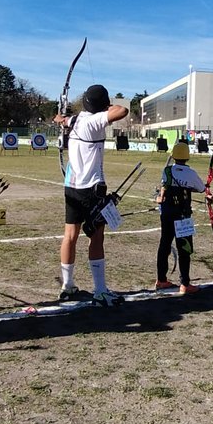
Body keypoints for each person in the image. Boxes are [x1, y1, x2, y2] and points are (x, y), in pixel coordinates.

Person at [56, 84, 129, 306]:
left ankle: (67, 286)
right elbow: (122, 110)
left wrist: (62, 119)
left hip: (71, 187)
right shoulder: (94, 121)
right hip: (92, 189)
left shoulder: (76, 120)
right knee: (96, 237)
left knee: (70, 236)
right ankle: (100, 291)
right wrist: (107, 107)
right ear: (102, 105)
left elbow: (61, 119)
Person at [154, 141, 207, 295]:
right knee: (184, 248)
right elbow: (201, 188)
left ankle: (161, 280)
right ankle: (185, 284)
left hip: (167, 213)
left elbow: (164, 187)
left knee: (164, 245)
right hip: (182, 215)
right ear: (187, 157)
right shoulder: (191, 173)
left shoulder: (167, 170)